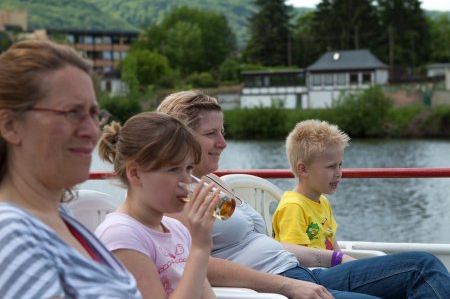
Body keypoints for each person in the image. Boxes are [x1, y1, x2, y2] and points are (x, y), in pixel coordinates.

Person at [157, 89, 450, 299]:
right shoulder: (174, 194)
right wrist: (285, 286)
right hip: (276, 286)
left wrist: (332, 258)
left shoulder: (210, 182)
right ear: (179, 136)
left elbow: (261, 244)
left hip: (300, 271)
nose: (223, 142)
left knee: (421, 265)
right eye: (212, 134)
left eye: (223, 132)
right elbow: (192, 265)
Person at [0, 40, 140, 297]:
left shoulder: (61, 217)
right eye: (72, 112)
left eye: (94, 113)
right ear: (10, 125)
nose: (92, 130)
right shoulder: (10, 235)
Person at [95, 111, 219, 298]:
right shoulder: (120, 235)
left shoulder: (176, 229)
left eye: (188, 168)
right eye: (173, 169)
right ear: (135, 173)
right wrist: (200, 248)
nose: (186, 180)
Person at [272, 120, 351, 263]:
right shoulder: (293, 208)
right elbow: (295, 261)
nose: (339, 173)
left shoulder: (323, 202)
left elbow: (332, 244)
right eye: (331, 166)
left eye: (340, 165)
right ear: (303, 169)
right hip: (311, 279)